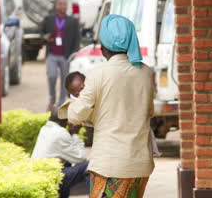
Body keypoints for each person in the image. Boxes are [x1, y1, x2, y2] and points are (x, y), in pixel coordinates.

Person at [59, 14, 155, 198]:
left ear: (103, 47)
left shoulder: (98, 75)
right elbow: (148, 111)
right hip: (140, 165)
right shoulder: (145, 73)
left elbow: (76, 115)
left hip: (110, 165)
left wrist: (71, 105)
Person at [31, 109, 89, 198]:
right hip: (52, 178)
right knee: (89, 165)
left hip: (41, 176)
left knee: (67, 163)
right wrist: (75, 134)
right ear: (65, 120)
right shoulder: (60, 132)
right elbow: (80, 158)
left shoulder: (45, 128)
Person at [41, 0, 81, 112]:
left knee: (65, 79)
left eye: (64, 4)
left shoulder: (72, 21)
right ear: (56, 6)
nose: (62, 6)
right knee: (52, 76)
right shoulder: (49, 19)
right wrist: (45, 37)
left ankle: (61, 102)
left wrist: (75, 53)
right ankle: (52, 100)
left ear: (67, 6)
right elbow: (41, 32)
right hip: (52, 54)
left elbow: (77, 38)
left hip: (66, 55)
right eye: (60, 4)